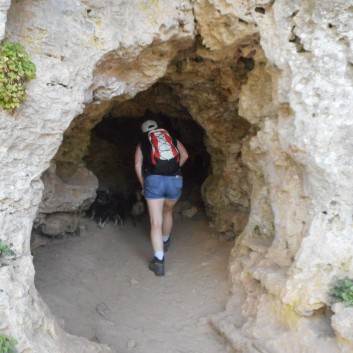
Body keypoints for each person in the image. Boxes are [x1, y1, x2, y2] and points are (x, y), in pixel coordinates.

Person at [134, 120, 189, 276]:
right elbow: (185, 155)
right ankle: (165, 241)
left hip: (154, 181)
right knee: (168, 212)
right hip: (175, 179)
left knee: (155, 222)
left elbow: (138, 164)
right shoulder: (170, 136)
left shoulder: (143, 141)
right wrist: (175, 169)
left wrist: (143, 183)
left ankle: (159, 262)